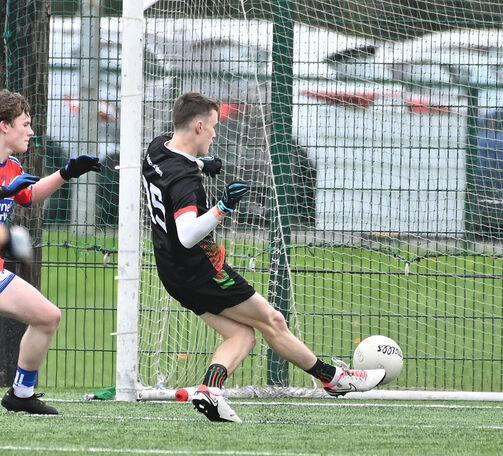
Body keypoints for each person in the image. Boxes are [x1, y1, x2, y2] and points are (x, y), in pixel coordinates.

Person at [141, 92, 385, 423]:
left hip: (171, 273)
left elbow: (174, 165)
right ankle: (334, 379)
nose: (215, 133)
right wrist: (222, 208)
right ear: (198, 126)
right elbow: (187, 235)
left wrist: (201, 162)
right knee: (273, 321)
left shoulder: (156, 149)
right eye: (212, 127)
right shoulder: (185, 181)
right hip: (200, 270)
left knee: (242, 334)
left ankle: (210, 390)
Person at [0, 89, 101, 415]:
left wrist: (66, 173)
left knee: (47, 317)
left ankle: (21, 394)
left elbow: (27, 196)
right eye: (25, 124)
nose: (31, 131)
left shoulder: (12, 164)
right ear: (4, 125)